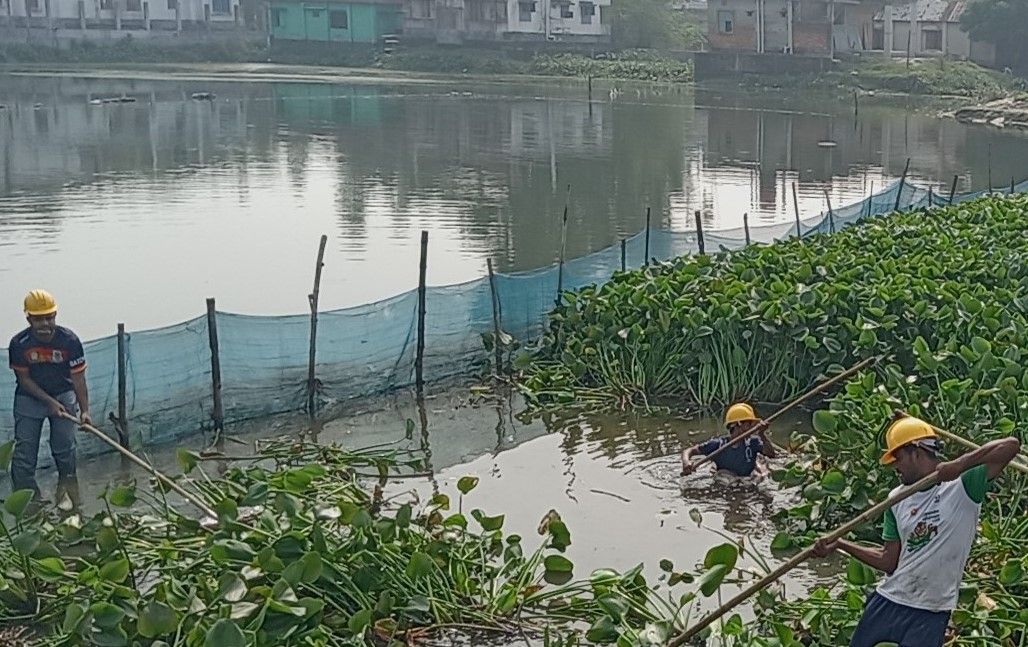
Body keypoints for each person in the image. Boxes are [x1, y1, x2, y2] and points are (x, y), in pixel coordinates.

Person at [812, 415, 1022, 647]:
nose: (895, 466)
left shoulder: (963, 484)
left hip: (932, 610)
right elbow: (889, 561)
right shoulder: (896, 499)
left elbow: (1011, 445)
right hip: (890, 600)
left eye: (898, 457)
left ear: (917, 451)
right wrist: (841, 544)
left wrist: (959, 464)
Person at [7, 289, 90, 499]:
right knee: (25, 455)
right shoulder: (19, 344)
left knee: (64, 450)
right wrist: (49, 402)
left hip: (64, 394)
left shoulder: (69, 341)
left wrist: (85, 412)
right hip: (30, 398)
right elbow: (24, 380)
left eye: (49, 318)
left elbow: (79, 379)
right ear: (29, 319)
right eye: (39, 320)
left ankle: (70, 495)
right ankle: (27, 501)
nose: (45, 324)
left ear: (55, 316)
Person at [681, 403, 775, 477]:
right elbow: (689, 451)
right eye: (749, 424)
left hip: (746, 479)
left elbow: (771, 454)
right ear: (739, 424)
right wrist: (686, 462)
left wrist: (762, 434)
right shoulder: (718, 445)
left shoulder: (753, 443)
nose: (751, 427)